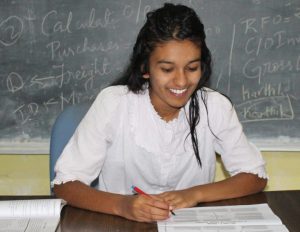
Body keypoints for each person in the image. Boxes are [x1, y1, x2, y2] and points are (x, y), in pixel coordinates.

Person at [52, 3, 267, 222]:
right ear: (145, 68)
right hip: (120, 225)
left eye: (192, 68)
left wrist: (195, 193)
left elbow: (254, 177)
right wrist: (123, 205)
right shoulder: (114, 104)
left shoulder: (215, 107)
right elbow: (65, 184)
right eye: (167, 69)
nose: (182, 81)